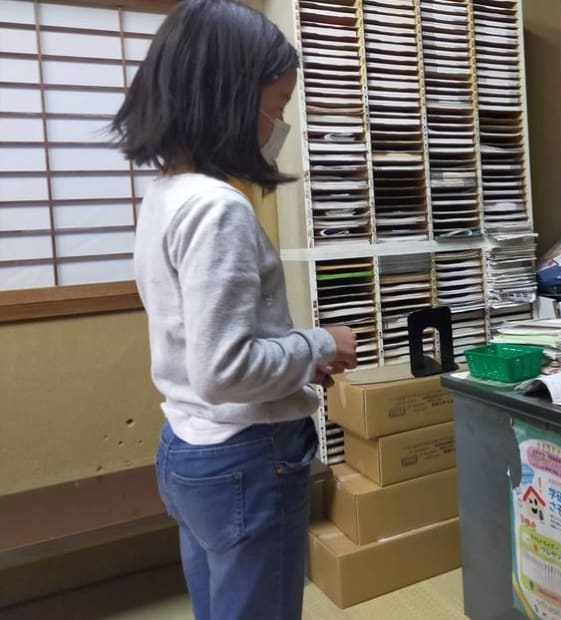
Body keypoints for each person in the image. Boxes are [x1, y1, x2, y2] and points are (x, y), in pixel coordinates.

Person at [113, 2, 356, 618]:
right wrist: (322, 345)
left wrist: (292, 360)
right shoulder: (219, 208)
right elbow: (224, 370)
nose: (280, 125)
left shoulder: (166, 194)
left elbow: (211, 343)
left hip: (189, 446)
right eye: (276, 105)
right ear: (226, 96)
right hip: (247, 455)